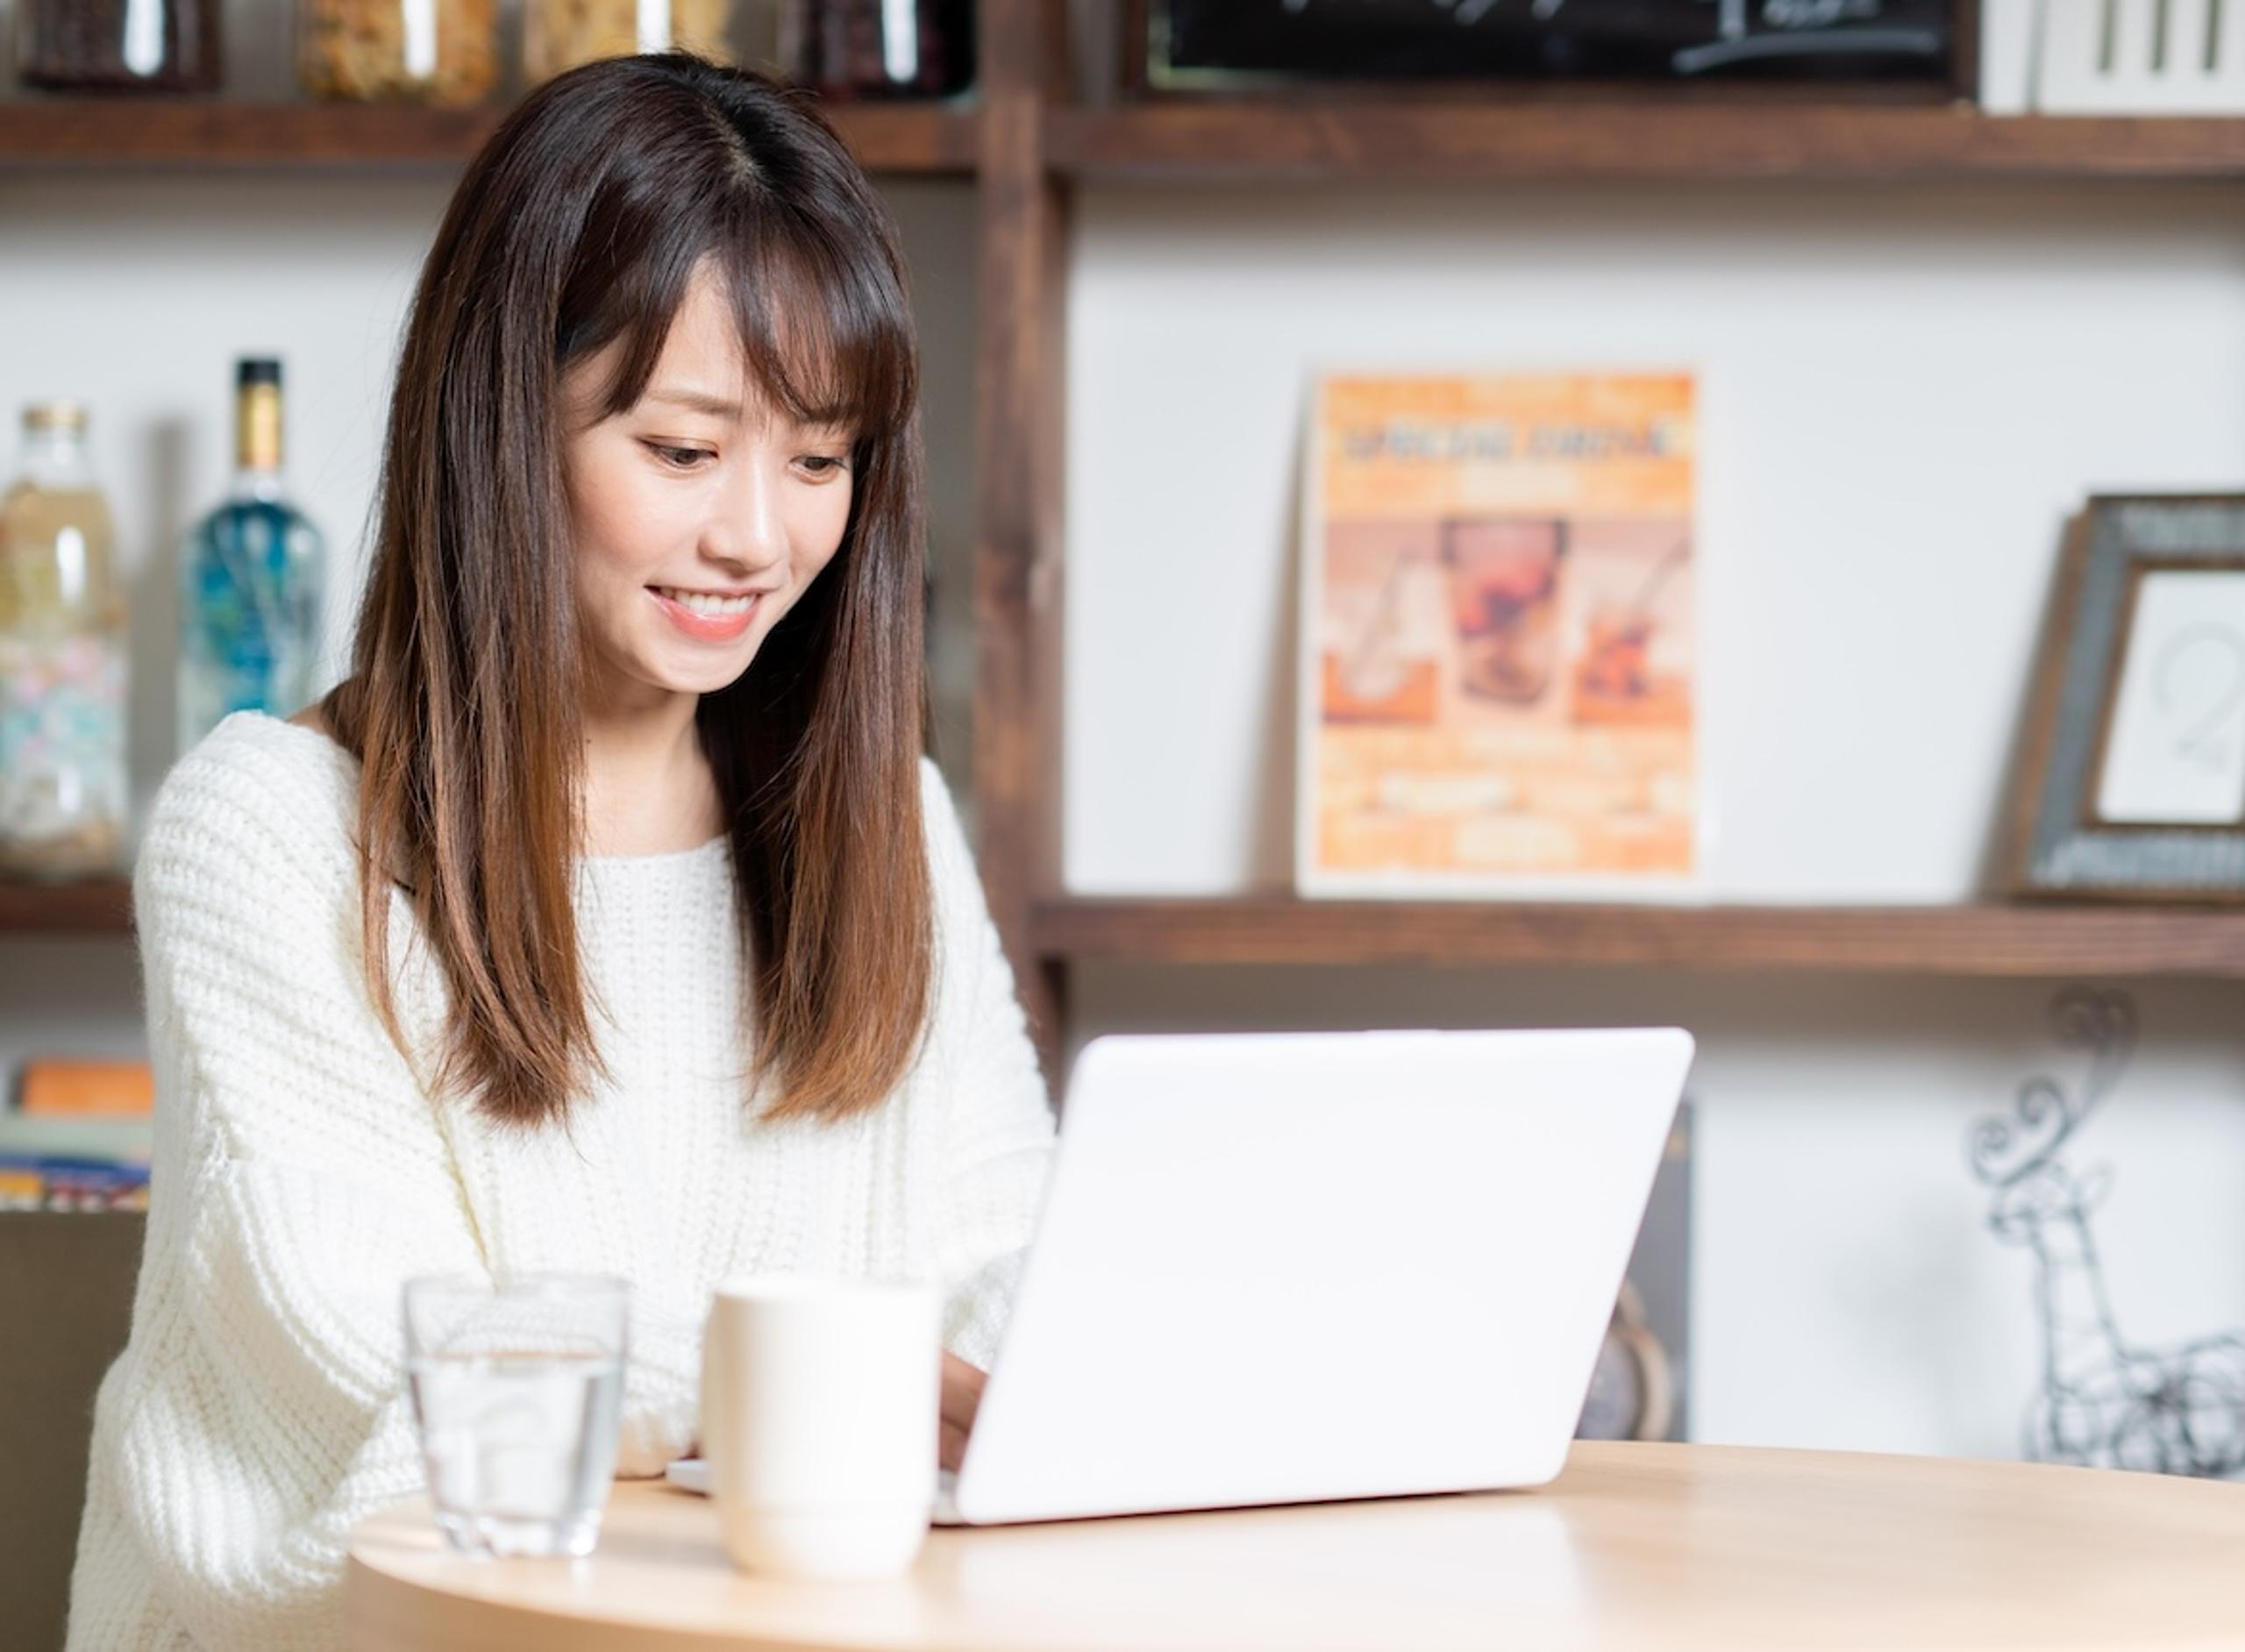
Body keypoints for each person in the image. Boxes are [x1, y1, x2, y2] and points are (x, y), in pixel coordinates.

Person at [65, 53, 1056, 1651]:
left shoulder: (890, 821)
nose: (759, 537)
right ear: (501, 413)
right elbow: (397, 1364)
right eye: (680, 451)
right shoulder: (269, 834)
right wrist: (811, 1385)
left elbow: (1001, 1264)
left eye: (819, 462)